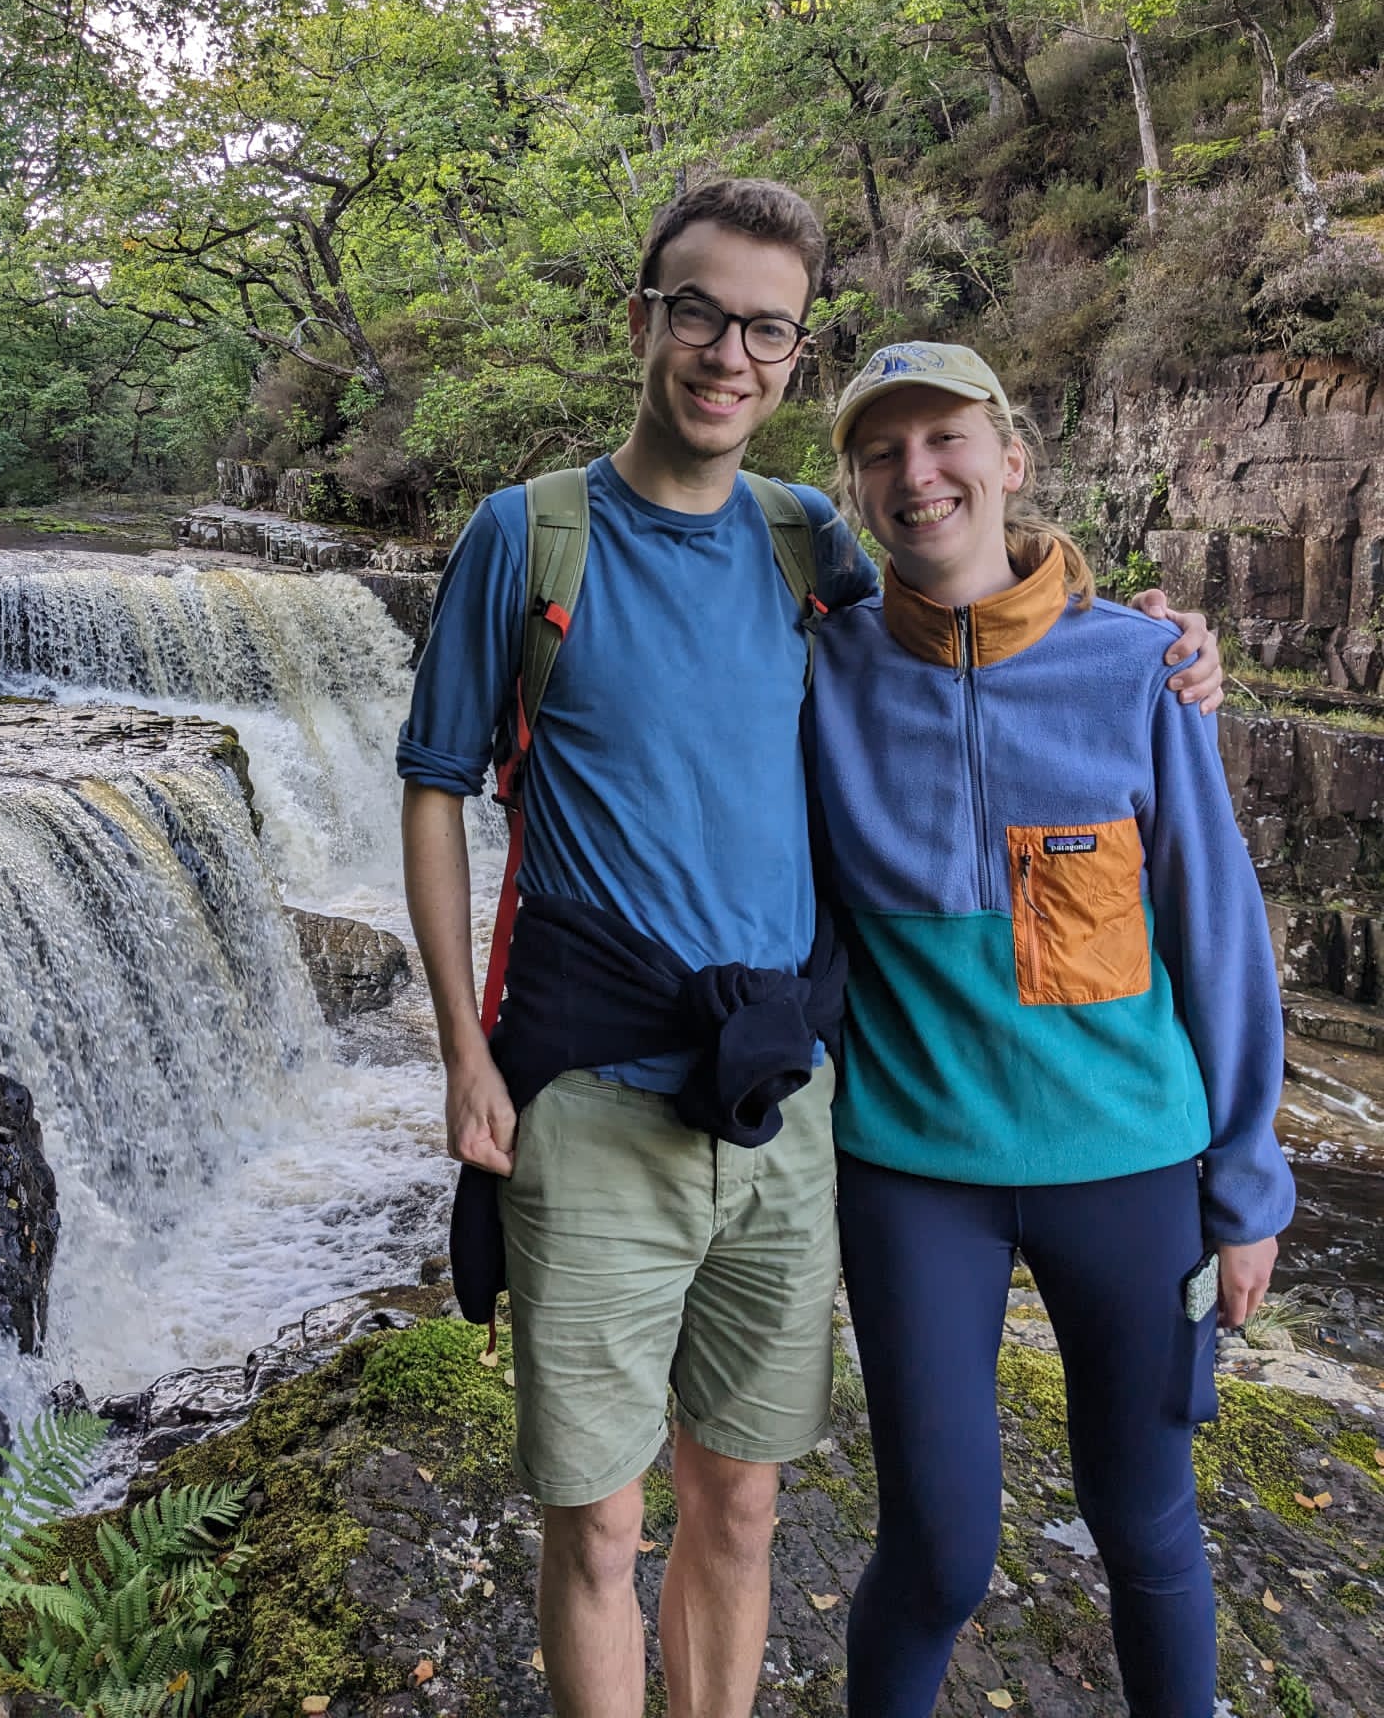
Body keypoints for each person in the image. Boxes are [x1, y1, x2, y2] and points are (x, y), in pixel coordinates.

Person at [397, 183, 1223, 1718]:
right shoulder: (530, 538)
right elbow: (436, 784)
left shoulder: (807, 544)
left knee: (742, 1504)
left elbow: (969, 618)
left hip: (784, 1107)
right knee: (599, 1524)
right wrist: (462, 1055)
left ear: (791, 358)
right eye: (700, 314)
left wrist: (1141, 638)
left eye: (766, 329)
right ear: (642, 322)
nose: (729, 353)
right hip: (589, 1098)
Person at [812, 341, 1293, 1718]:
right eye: (883, 452)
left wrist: (1247, 1184)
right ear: (857, 489)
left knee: (1148, 1525)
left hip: (1134, 1164)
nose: (918, 473)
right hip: (913, 1172)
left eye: (945, 439)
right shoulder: (822, 669)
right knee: (938, 1553)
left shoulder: (1143, 667)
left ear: (1011, 460)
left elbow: (1216, 932)